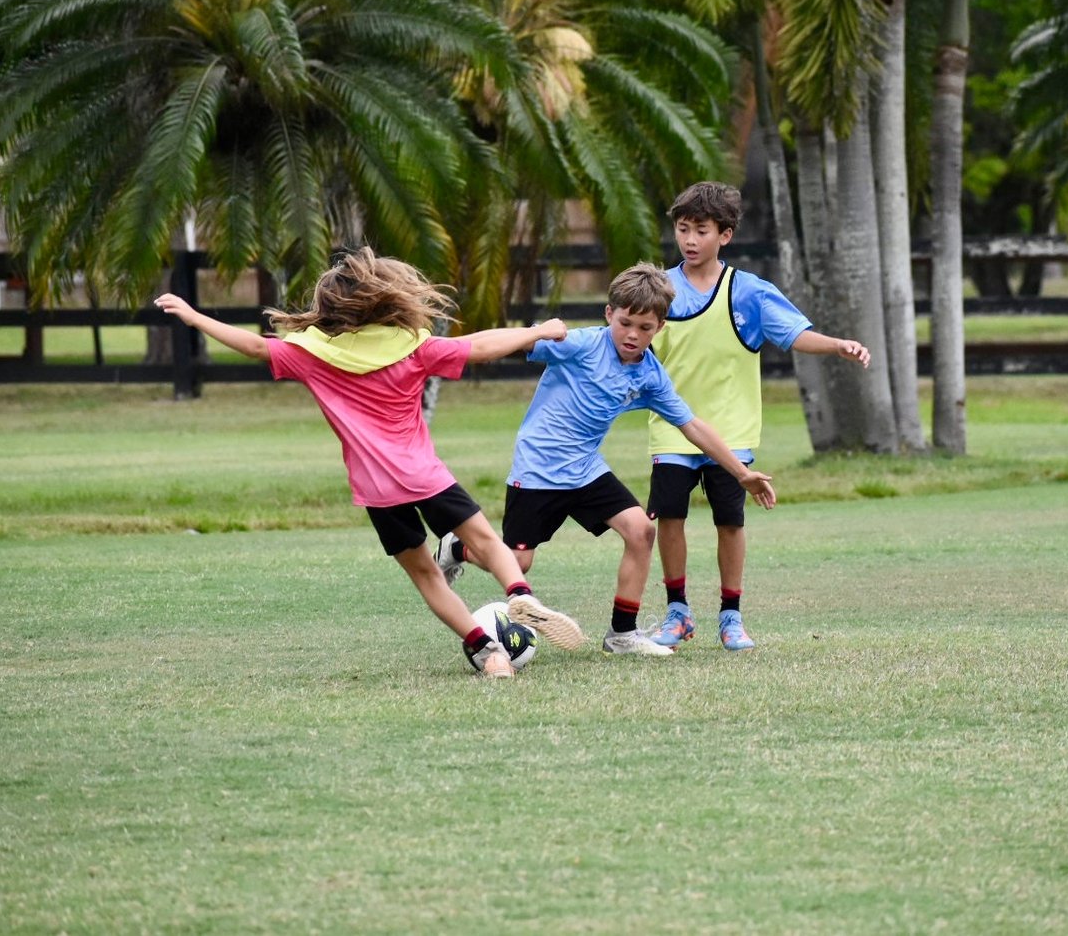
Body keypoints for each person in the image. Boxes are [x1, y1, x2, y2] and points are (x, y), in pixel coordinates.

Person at [154, 247, 586, 681]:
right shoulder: (413, 349)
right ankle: (519, 593)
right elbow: (479, 347)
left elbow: (252, 346)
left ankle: (489, 653)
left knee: (427, 577)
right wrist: (537, 331)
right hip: (426, 477)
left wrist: (195, 317)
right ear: (388, 301)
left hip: (378, 492)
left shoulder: (312, 354)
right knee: (489, 544)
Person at [438, 263, 776, 656]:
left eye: (645, 328)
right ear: (609, 314)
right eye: (626, 323)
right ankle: (455, 548)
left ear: (660, 328)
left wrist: (741, 472)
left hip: (586, 468)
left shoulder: (650, 375)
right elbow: (496, 345)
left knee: (640, 530)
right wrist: (537, 332)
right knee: (518, 562)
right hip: (539, 469)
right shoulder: (581, 344)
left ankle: (622, 635)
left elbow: (693, 426)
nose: (633, 335)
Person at [641, 181, 869, 652]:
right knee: (671, 519)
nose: (689, 239)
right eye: (682, 229)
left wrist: (837, 346)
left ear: (724, 235)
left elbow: (795, 333)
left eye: (700, 230)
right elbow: (628, 342)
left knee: (730, 523)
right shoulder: (661, 290)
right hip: (672, 428)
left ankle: (731, 616)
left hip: (732, 433)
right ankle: (677, 612)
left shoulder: (748, 291)